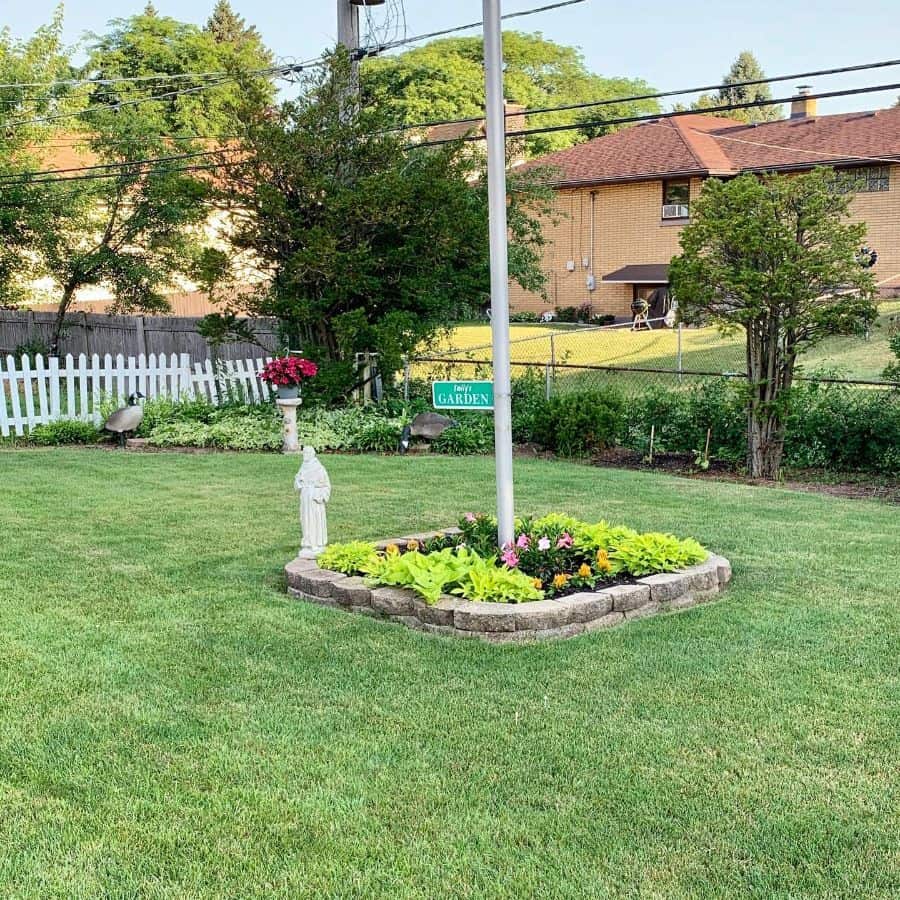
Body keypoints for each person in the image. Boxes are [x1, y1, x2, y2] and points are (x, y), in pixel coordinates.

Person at [295, 446, 331, 557]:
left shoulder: (318, 468)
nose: (304, 455)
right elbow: (297, 480)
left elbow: (326, 485)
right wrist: (299, 482)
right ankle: (308, 543)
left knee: (315, 520)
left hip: (314, 499)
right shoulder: (303, 466)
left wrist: (319, 495)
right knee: (306, 520)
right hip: (305, 498)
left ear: (312, 454)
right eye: (303, 452)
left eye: (306, 453)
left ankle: (317, 543)